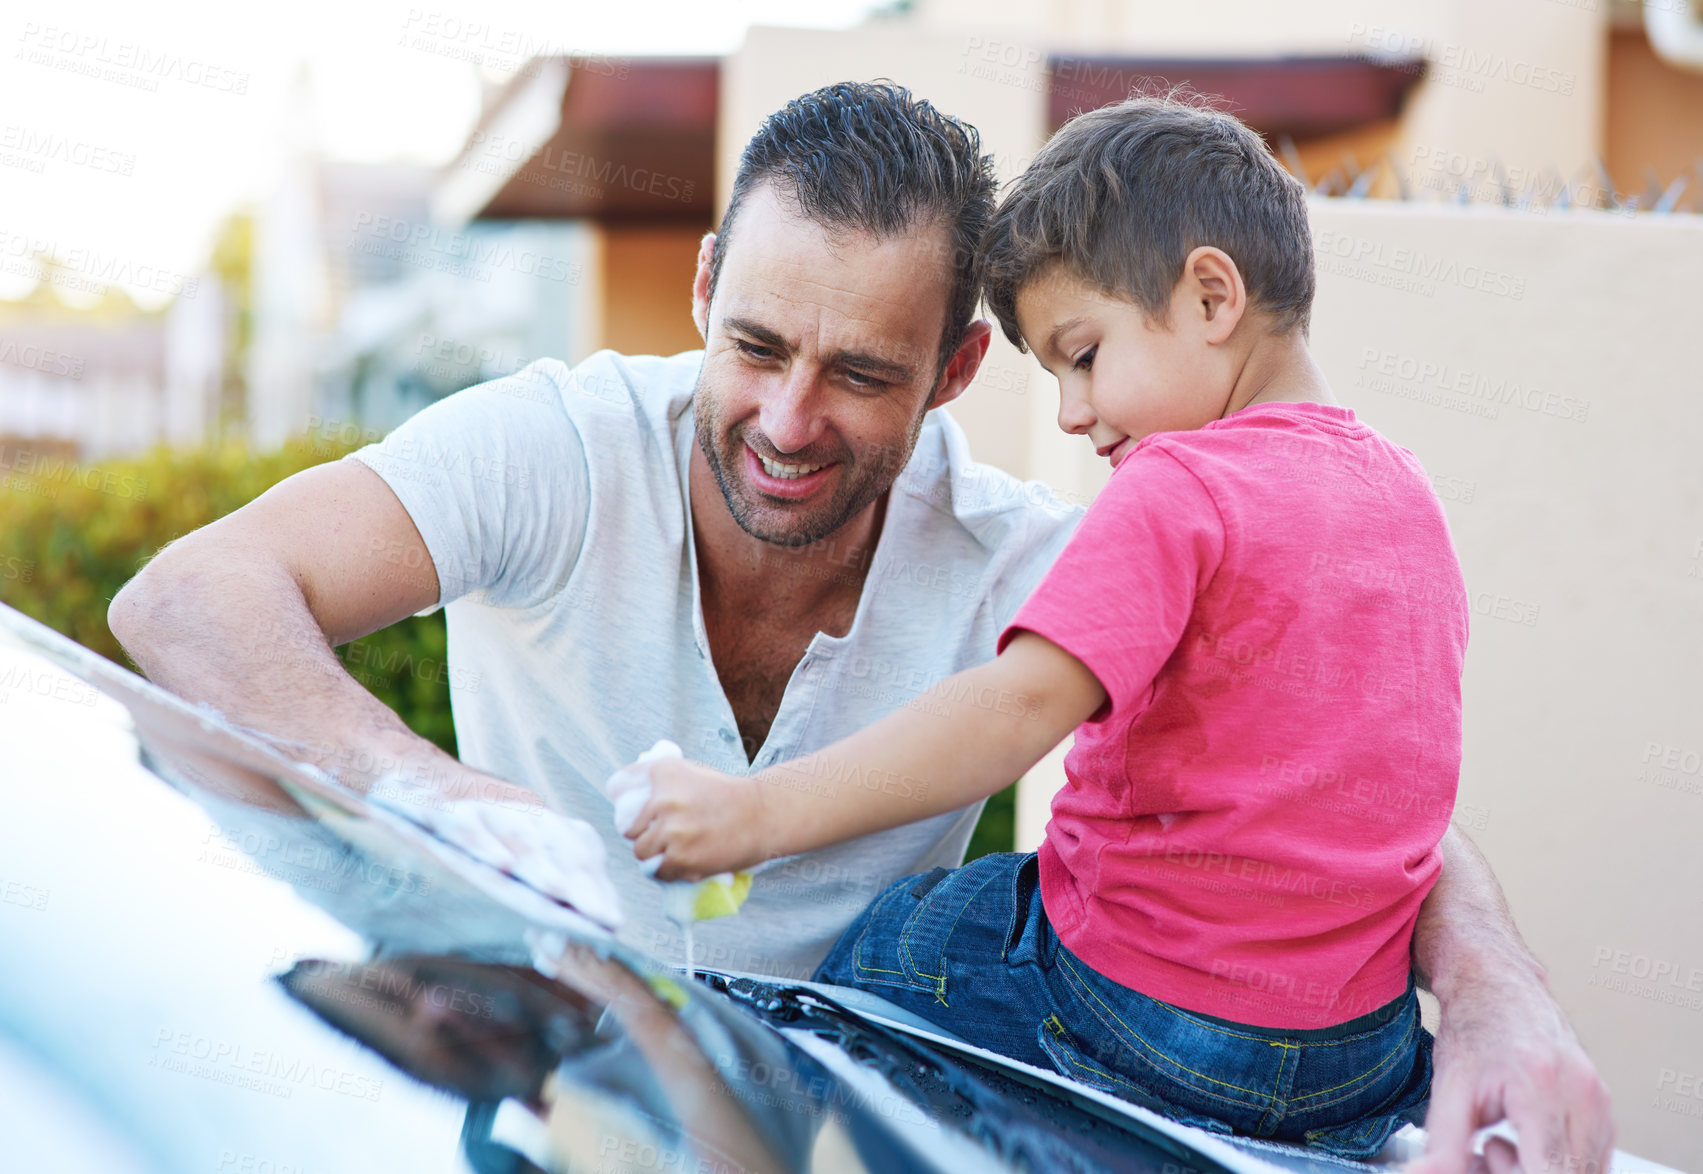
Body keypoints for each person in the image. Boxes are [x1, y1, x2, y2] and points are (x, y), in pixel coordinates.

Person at [108, 81, 1612, 1174]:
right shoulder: (553, 450)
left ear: (956, 369)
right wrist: (441, 798)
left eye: (859, 374)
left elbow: (1307, 749)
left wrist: (1492, 989)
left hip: (836, 1124)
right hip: (542, 1087)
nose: (785, 417)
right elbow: (187, 598)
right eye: (752, 344)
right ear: (702, 288)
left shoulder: (1029, 548)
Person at [623, 93, 1463, 1157]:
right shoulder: (1404, 494)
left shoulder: (1179, 486)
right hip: (1359, 1053)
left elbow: (1014, 710)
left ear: (1210, 295)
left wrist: (752, 815)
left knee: (892, 943)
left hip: (1143, 1012)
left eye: (1082, 352)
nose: (1070, 410)